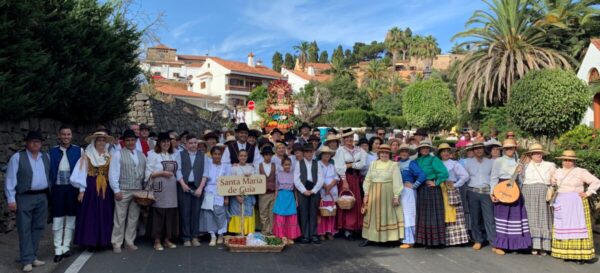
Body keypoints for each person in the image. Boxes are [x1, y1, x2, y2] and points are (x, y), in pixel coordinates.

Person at [5, 131, 51, 272]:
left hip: (42, 197)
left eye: (38, 141)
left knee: (38, 228)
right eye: (32, 141)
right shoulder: (17, 158)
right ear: (26, 143)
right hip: (24, 196)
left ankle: (33, 256)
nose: (35, 144)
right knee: (24, 228)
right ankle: (26, 260)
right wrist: (11, 199)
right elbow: (10, 179)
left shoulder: (46, 157)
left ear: (41, 143)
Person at [550, 150, 600, 263]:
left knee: (578, 227)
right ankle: (566, 253)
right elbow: (552, 183)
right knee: (564, 227)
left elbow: (596, 181)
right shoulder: (557, 172)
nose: (567, 162)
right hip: (562, 201)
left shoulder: (580, 172)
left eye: (570, 160)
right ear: (562, 161)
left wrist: (587, 193)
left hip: (576, 202)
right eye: (565, 160)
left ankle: (580, 255)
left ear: (574, 161)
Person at [70, 130, 115, 250]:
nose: (101, 142)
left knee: (105, 214)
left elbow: (112, 173)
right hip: (91, 188)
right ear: (94, 142)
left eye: (103, 140)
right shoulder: (87, 156)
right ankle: (90, 241)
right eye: (99, 140)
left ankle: (104, 241)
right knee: (91, 215)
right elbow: (80, 173)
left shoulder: (109, 156)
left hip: (106, 189)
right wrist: (81, 190)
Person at [490, 139, 531, 255]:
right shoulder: (498, 161)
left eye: (511, 148)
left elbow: (522, 181)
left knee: (515, 219)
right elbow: (493, 178)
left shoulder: (519, 162)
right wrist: (492, 193)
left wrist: (521, 172)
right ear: (504, 150)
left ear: (515, 149)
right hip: (501, 190)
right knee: (502, 219)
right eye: (507, 148)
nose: (509, 150)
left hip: (515, 191)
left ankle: (515, 245)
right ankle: (500, 245)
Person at [109, 129, 146, 253]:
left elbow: (145, 173)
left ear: (136, 141)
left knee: (133, 217)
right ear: (124, 142)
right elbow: (113, 173)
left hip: (137, 190)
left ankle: (129, 241)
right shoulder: (118, 154)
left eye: (132, 140)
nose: (130, 142)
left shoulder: (141, 155)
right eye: (128, 140)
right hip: (123, 190)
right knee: (119, 217)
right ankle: (117, 243)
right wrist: (116, 190)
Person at [48, 126, 81, 263]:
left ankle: (66, 246)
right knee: (58, 219)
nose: (66, 137)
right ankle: (58, 248)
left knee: (71, 217)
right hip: (58, 189)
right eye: (63, 134)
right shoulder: (51, 152)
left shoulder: (79, 151)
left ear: (71, 136)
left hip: (72, 188)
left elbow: (82, 171)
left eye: (68, 134)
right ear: (59, 136)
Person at [361, 144, 404, 246]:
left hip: (387, 193)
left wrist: (396, 196)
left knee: (387, 214)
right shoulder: (373, 164)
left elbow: (397, 181)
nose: (384, 155)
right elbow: (368, 179)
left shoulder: (393, 165)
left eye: (386, 153)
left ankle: (390, 238)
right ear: (379, 154)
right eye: (382, 153)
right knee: (371, 215)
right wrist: (366, 193)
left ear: (389, 154)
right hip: (373, 193)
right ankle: (370, 237)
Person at [146, 132, 179, 251]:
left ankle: (167, 238)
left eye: (168, 141)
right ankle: (157, 240)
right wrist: (161, 173)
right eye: (163, 141)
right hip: (159, 185)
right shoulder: (153, 155)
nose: (166, 144)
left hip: (171, 187)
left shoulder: (172, 155)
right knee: (158, 212)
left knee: (170, 213)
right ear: (159, 143)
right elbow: (148, 173)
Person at [175, 134, 210, 247]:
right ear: (186, 144)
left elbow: (205, 173)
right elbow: (178, 170)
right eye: (190, 143)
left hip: (197, 186)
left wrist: (200, 188)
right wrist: (183, 184)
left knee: (196, 212)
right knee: (185, 212)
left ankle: (194, 236)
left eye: (195, 143)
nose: (193, 145)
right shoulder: (179, 154)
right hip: (184, 186)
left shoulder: (203, 156)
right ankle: (186, 237)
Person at [521, 144, 555, 255]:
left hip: (543, 192)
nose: (538, 154)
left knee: (544, 218)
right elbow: (519, 178)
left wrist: (552, 186)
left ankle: (544, 246)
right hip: (528, 192)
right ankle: (532, 245)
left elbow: (554, 180)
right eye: (535, 153)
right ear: (530, 154)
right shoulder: (524, 165)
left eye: (539, 152)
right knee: (531, 217)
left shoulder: (550, 165)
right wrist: (521, 165)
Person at [334, 128, 367, 240]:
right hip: (346, 179)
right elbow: (339, 167)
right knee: (346, 202)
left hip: (356, 179)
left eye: (351, 137)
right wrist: (344, 181)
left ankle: (355, 227)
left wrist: (350, 165)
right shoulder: (340, 150)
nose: (349, 139)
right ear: (343, 139)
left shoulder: (359, 150)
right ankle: (347, 229)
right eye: (347, 137)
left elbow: (362, 164)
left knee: (355, 203)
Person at [414, 140, 449, 247]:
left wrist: (436, 182)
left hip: (432, 189)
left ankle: (435, 241)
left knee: (433, 214)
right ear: (419, 150)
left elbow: (444, 173)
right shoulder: (417, 160)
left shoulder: (434, 159)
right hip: (421, 188)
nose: (425, 149)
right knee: (422, 214)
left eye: (427, 148)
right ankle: (422, 240)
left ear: (429, 150)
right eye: (422, 148)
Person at [463, 140, 496, 252]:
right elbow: (464, 176)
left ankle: (493, 242)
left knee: (489, 218)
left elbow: (493, 178)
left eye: (480, 148)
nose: (478, 150)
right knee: (475, 217)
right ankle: (478, 240)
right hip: (473, 191)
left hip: (486, 192)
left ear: (484, 149)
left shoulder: (490, 162)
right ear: (473, 150)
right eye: (476, 148)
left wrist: (493, 192)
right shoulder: (467, 162)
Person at [438, 143, 470, 246]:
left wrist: (456, 185)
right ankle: (444, 239)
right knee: (442, 213)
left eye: (447, 151)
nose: (445, 153)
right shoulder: (437, 163)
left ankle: (458, 240)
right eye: (443, 151)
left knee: (455, 213)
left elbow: (465, 176)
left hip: (451, 190)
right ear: (440, 154)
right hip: (439, 190)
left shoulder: (454, 163)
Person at [199, 146, 231, 246]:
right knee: (209, 215)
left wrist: (226, 197)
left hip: (221, 192)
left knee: (221, 214)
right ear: (211, 155)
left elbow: (228, 182)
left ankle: (220, 234)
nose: (217, 156)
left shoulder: (226, 166)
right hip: (209, 191)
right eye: (215, 154)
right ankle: (212, 236)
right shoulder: (208, 164)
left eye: (219, 154)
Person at [397, 143, 426, 249]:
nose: (404, 153)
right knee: (402, 214)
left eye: (406, 151)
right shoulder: (397, 163)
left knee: (409, 215)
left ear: (409, 153)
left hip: (408, 191)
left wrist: (414, 186)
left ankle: (410, 240)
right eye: (402, 151)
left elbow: (422, 174)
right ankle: (404, 238)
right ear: (399, 153)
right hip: (399, 191)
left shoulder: (412, 163)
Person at [294, 144, 324, 244]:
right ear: (303, 153)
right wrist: (303, 190)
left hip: (314, 190)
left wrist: (314, 190)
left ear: (313, 152)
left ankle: (314, 235)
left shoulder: (317, 163)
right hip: (303, 190)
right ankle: (305, 235)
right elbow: (296, 179)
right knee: (303, 213)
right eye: (306, 152)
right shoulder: (299, 163)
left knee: (313, 212)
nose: (309, 154)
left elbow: (321, 178)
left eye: (310, 151)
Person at [272, 157, 302, 245]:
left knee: (291, 216)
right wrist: (275, 199)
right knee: (280, 217)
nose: (287, 166)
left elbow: (295, 189)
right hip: (281, 196)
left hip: (290, 196)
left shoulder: (293, 175)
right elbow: (276, 188)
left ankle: (290, 236)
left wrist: (296, 200)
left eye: (289, 164)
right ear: (282, 165)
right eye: (285, 164)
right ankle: (282, 236)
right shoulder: (278, 174)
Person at [228, 150, 257, 235]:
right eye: (241, 156)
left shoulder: (251, 168)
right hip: (236, 196)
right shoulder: (233, 168)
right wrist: (237, 196)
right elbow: (230, 184)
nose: (243, 157)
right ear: (238, 157)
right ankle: (238, 233)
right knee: (237, 213)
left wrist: (251, 177)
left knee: (248, 213)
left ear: (247, 157)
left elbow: (256, 182)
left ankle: (247, 232)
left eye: (245, 156)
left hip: (248, 196)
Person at [317, 146, 339, 241]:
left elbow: (336, 177)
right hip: (322, 189)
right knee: (322, 212)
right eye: (324, 154)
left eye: (328, 154)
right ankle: (321, 232)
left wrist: (330, 186)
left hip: (332, 190)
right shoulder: (317, 164)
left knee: (331, 212)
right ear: (321, 155)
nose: (326, 155)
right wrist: (325, 186)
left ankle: (330, 231)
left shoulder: (331, 166)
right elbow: (317, 177)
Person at [256, 146, 277, 235]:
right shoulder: (259, 166)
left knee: (272, 213)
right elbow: (256, 179)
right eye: (266, 155)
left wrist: (276, 191)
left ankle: (272, 231)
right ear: (263, 156)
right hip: (263, 193)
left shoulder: (275, 165)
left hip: (273, 192)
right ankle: (265, 230)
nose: (268, 156)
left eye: (269, 155)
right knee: (263, 212)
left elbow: (277, 179)